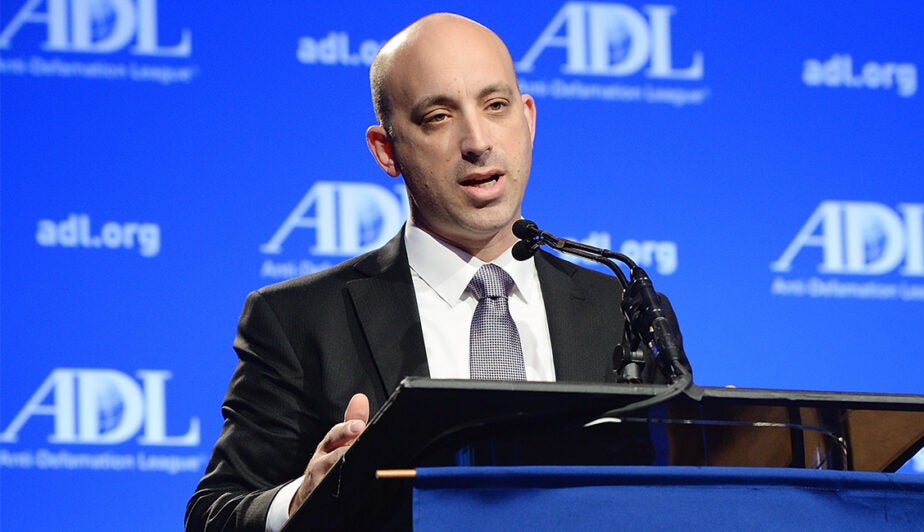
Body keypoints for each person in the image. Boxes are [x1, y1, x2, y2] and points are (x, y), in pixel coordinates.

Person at [186, 12, 662, 531]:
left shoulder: (619, 307)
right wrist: (300, 501)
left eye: (496, 105)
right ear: (386, 150)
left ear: (528, 119)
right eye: (438, 116)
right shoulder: (297, 321)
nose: (477, 140)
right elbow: (213, 514)